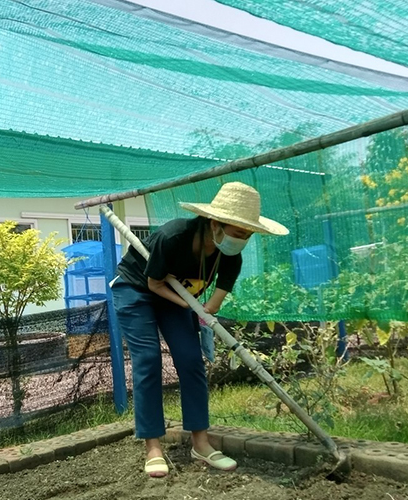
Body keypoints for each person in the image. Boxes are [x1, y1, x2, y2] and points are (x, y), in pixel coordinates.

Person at [111, 182, 289, 477]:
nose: (241, 241)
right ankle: (153, 446)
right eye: (238, 233)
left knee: (191, 360)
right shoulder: (174, 236)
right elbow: (155, 283)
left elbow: (213, 304)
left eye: (247, 236)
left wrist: (202, 311)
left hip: (178, 297)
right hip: (137, 289)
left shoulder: (231, 256)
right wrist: (187, 305)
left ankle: (201, 443)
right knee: (148, 361)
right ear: (215, 223)